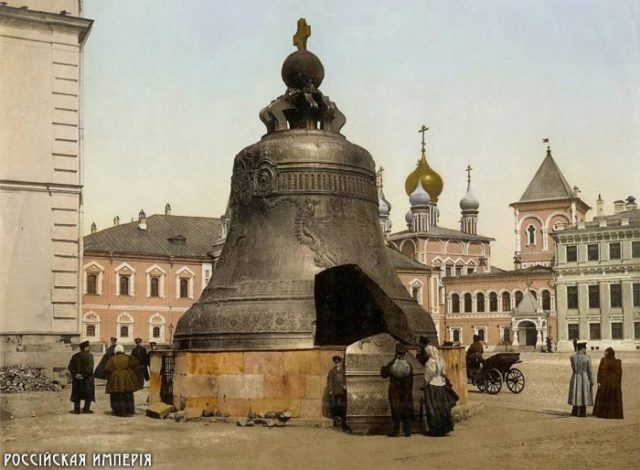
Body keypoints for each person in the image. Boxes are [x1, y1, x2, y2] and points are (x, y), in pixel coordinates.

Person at [380, 343, 413, 437]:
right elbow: (411, 380)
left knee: (395, 409)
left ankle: (396, 431)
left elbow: (383, 374)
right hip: (405, 391)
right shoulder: (408, 365)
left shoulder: (392, 364)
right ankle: (407, 431)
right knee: (406, 409)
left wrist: (383, 367)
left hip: (394, 391)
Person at [421, 345, 454, 436]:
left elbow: (428, 377)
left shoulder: (429, 363)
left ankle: (435, 429)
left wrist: (423, 385)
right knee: (442, 407)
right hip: (441, 385)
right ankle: (444, 428)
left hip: (432, 386)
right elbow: (443, 373)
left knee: (432, 408)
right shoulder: (441, 360)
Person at [105, 344, 142, 417]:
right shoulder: (128, 357)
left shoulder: (112, 358)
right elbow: (136, 364)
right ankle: (129, 410)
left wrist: (114, 371)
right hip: (126, 377)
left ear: (116, 351)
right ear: (122, 350)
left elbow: (107, 368)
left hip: (115, 378)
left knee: (116, 394)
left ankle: (117, 411)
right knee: (127, 393)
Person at [593, 347, 623, 419]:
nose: (604, 353)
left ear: (607, 353)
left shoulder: (604, 360)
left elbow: (600, 371)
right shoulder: (617, 362)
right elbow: (620, 373)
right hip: (614, 384)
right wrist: (618, 382)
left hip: (605, 383)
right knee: (613, 398)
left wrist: (599, 381)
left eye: (605, 352)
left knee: (605, 398)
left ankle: (603, 413)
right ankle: (614, 414)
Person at [67, 340, 95, 414]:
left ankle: (77, 410)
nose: (89, 348)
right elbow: (90, 369)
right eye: (88, 347)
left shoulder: (75, 356)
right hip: (87, 379)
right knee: (88, 394)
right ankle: (86, 409)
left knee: (77, 394)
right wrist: (83, 375)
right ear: (86, 348)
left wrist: (76, 374)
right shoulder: (90, 356)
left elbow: (70, 367)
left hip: (77, 379)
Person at [568, 342, 593, 417]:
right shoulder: (587, 357)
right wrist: (591, 380)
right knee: (583, 394)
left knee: (575, 393)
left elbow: (573, 367)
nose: (586, 350)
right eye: (585, 348)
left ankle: (574, 410)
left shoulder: (572, 357)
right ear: (582, 348)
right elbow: (590, 370)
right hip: (584, 376)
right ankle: (582, 412)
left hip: (575, 376)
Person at [327, 356, 350, 431]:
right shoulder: (332, 371)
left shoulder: (343, 371)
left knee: (341, 405)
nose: (337, 364)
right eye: (336, 363)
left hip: (341, 391)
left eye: (339, 362)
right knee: (335, 406)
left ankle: (340, 420)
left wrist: (345, 385)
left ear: (340, 363)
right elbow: (329, 381)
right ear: (335, 363)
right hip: (335, 391)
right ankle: (336, 421)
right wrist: (330, 389)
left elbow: (344, 380)